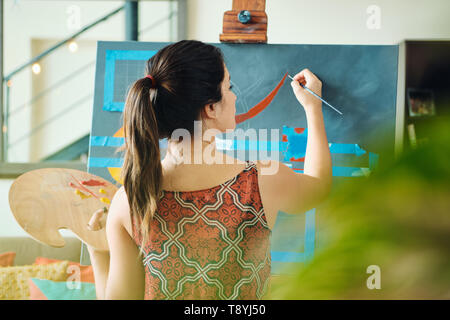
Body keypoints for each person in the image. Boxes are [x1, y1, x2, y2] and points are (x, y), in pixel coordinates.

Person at [86, 40, 332, 300]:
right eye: (229, 86)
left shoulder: (130, 200)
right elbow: (318, 186)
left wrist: (98, 251)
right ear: (211, 108)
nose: (235, 96)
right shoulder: (260, 181)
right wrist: (312, 107)